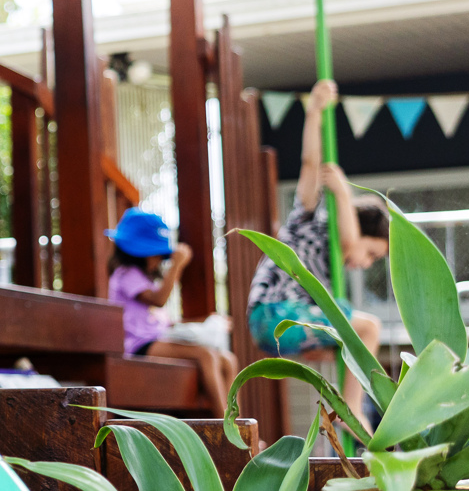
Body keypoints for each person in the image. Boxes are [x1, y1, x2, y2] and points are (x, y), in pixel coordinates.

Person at [245, 79, 391, 419]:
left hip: (274, 327)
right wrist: (314, 113)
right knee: (367, 329)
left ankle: (344, 412)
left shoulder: (327, 269)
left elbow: (350, 245)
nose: (365, 263)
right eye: (372, 254)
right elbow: (310, 164)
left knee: (345, 347)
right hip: (273, 314)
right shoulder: (310, 220)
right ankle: (350, 408)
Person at [105, 209, 237, 415]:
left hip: (156, 341)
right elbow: (159, 300)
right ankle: (226, 428)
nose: (160, 261)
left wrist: (208, 321)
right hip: (138, 347)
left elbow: (166, 323)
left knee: (228, 360)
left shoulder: (144, 281)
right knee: (206, 355)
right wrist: (177, 265)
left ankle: (237, 422)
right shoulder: (126, 275)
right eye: (158, 256)